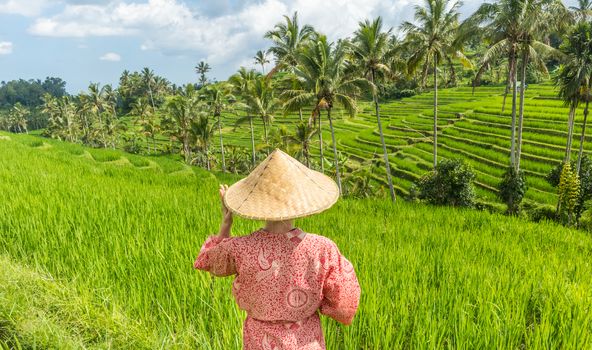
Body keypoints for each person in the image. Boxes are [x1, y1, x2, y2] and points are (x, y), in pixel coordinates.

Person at [194, 149, 361, 350]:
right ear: (298, 201)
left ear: (257, 202)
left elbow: (209, 261)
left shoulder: (241, 247)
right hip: (305, 340)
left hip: (260, 341)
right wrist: (320, 306)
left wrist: (226, 222)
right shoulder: (322, 249)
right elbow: (345, 299)